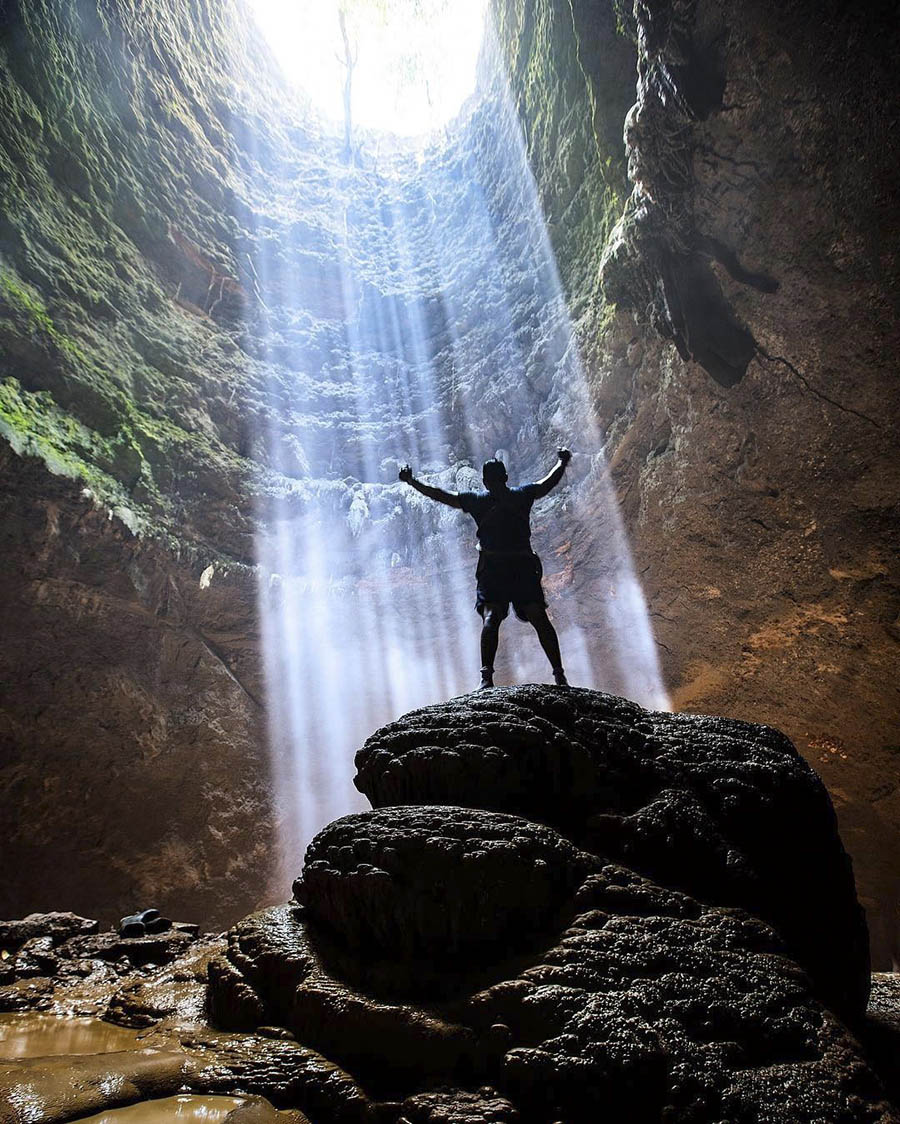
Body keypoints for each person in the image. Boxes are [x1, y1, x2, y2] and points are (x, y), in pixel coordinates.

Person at [398, 450, 572, 689]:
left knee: (491, 619)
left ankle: (486, 678)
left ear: (485, 481)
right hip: (521, 566)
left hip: (493, 569)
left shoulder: (478, 501)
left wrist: (412, 481)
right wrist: (562, 461)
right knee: (538, 617)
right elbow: (549, 482)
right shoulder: (522, 495)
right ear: (506, 477)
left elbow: (440, 495)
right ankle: (559, 675)